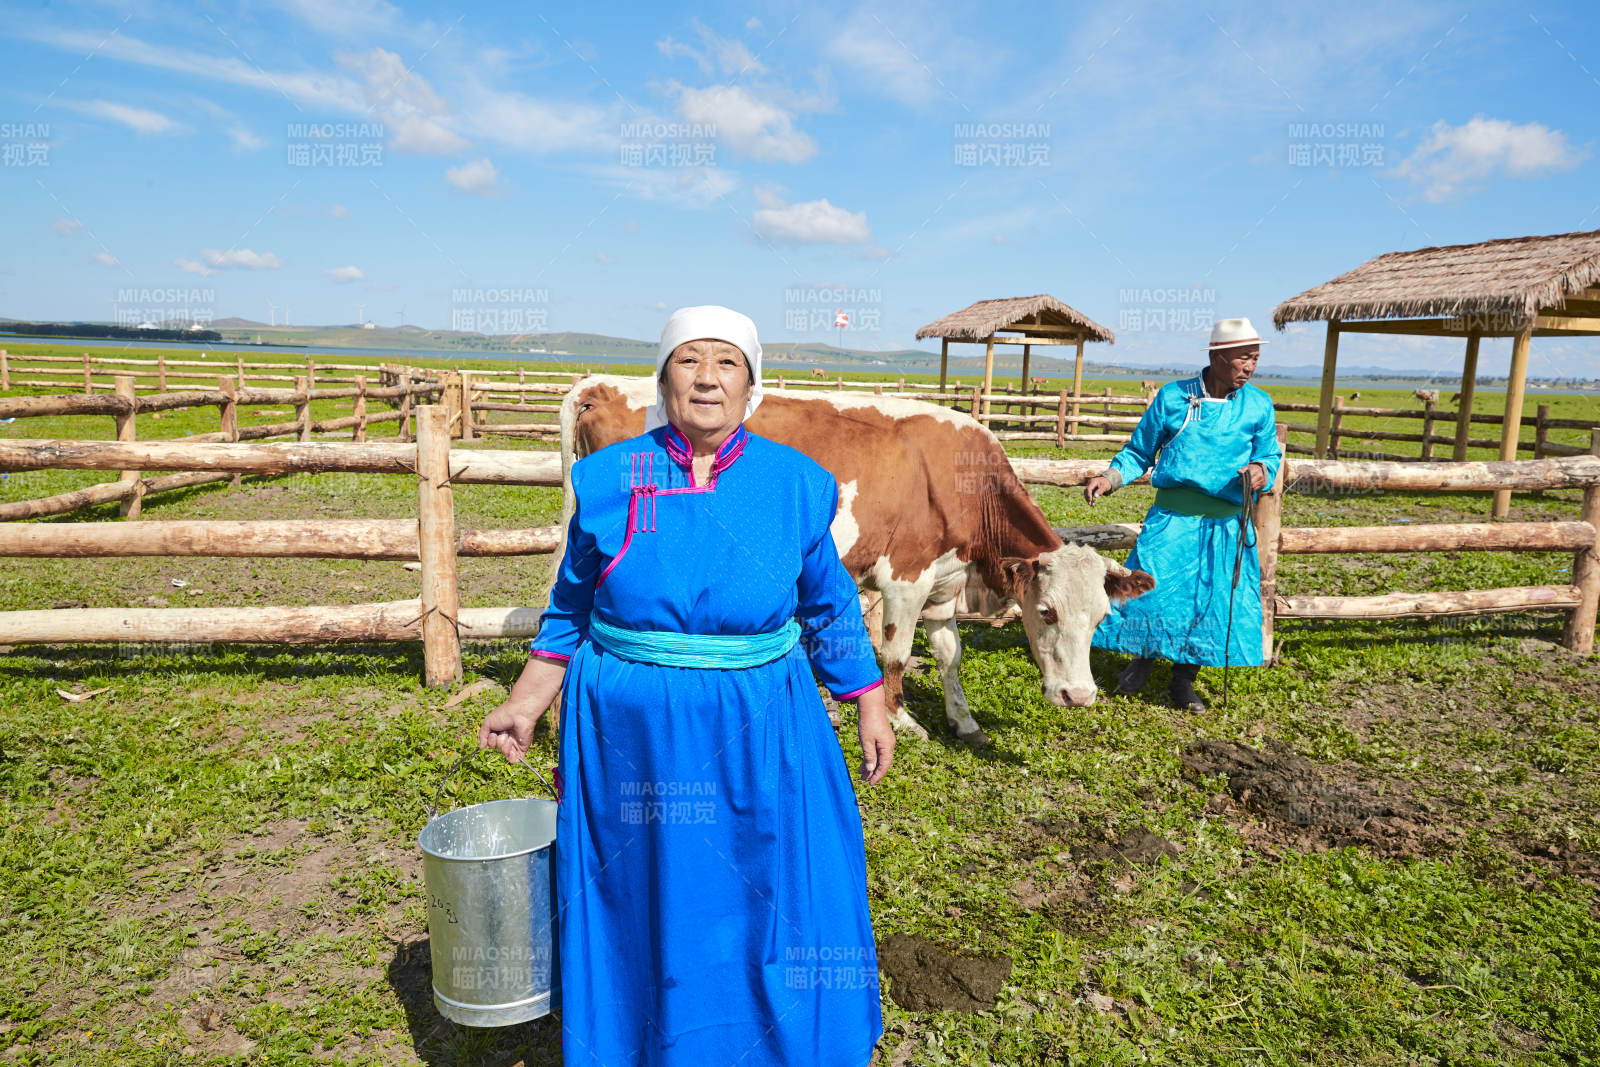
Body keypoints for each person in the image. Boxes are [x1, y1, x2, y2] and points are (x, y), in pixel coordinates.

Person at [480, 305, 895, 1066]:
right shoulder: (609, 477)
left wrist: (868, 698)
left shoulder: (794, 483)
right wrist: (526, 699)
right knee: (650, 890)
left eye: (726, 362)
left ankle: (769, 1039)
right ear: (663, 377)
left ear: (751, 384)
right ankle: (649, 1036)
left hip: (760, 722)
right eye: (688, 360)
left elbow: (827, 602)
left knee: (764, 884)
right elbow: (571, 603)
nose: (707, 377)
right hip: (633, 737)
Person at [1082, 317, 1281, 711]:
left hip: (1226, 526)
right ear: (1218, 356)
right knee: (1149, 592)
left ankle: (1183, 681)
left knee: (1209, 601)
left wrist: (1260, 471)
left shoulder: (1258, 405)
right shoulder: (1173, 398)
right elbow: (1140, 452)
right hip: (1172, 520)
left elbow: (1269, 455)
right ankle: (1142, 659)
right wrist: (1110, 477)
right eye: (1245, 357)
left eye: (1255, 358)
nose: (1251, 366)